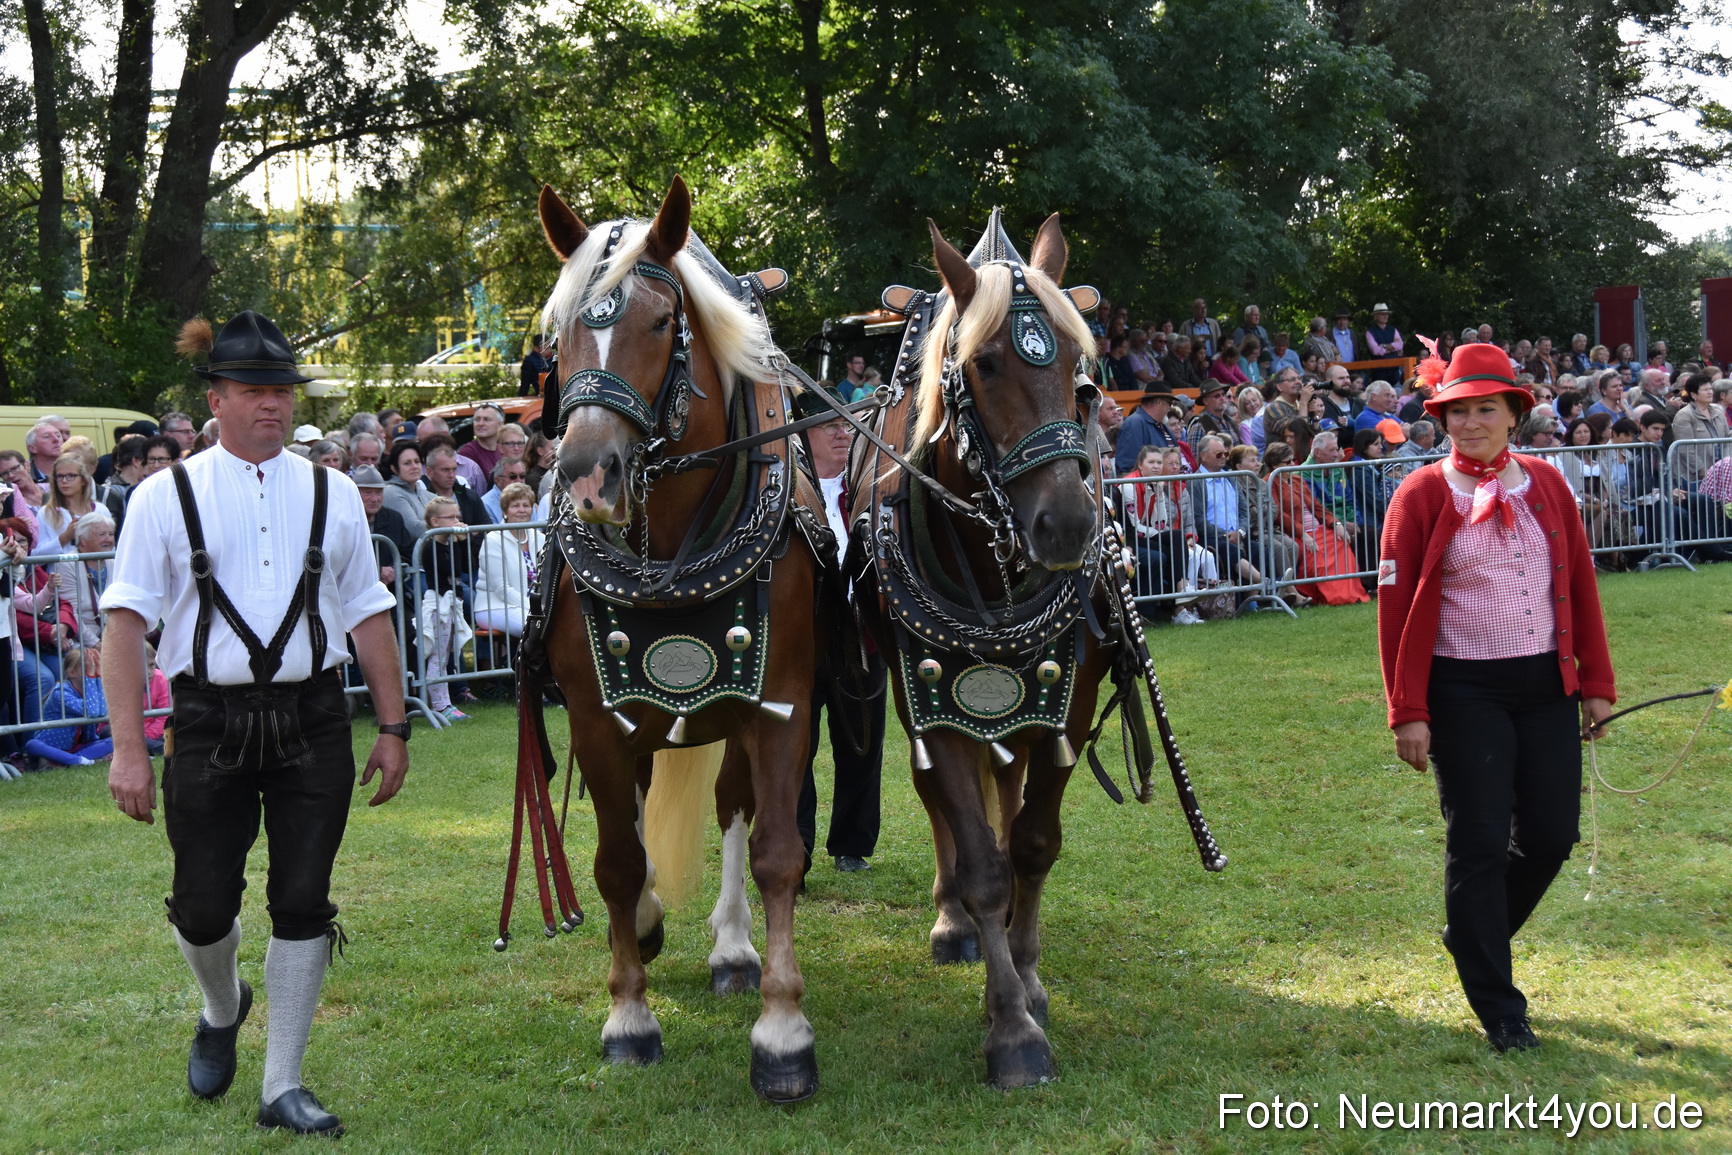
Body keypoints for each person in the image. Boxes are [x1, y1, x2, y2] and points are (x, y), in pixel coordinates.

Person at [101, 309, 408, 1137]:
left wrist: (394, 724)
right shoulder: (162, 496)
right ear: (217, 397)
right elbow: (124, 625)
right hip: (207, 720)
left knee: (304, 897)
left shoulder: (335, 490)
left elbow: (369, 608)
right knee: (201, 907)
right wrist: (128, 747)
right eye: (252, 389)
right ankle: (221, 1000)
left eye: (280, 391)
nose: (270, 404)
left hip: (314, 717)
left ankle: (283, 1083)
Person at [1377, 342, 1614, 1053]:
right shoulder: (1420, 494)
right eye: (1459, 412)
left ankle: (1471, 931)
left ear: (1515, 413)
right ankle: (1500, 1005)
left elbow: (1580, 588)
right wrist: (1408, 710)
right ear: (1442, 418)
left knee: (1551, 834)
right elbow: (1395, 611)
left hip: (1544, 683)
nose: (1472, 423)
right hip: (1462, 687)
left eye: (1487, 408)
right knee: (1479, 839)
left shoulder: (1546, 483)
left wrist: (1596, 684)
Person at [790, 388, 887, 872]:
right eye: (828, 425)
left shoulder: (867, 490)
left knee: (862, 747)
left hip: (862, 636)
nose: (841, 433)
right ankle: (796, 845)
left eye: (846, 425)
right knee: (794, 749)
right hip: (803, 642)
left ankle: (851, 845)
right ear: (802, 436)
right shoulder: (786, 493)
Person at [1263, 442, 1365, 605]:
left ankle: (1349, 593)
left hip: (1317, 529)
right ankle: (1331, 596)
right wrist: (1301, 533)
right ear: (1275, 464)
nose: (1293, 464)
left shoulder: (1297, 479)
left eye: (1293, 460)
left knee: (1340, 542)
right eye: (1287, 462)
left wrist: (1336, 523)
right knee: (1316, 553)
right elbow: (1278, 514)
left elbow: (1316, 506)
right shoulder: (1268, 483)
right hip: (1295, 532)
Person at [417, 496, 474, 723]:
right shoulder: (430, 545)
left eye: (458, 516)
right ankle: (441, 706)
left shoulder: (450, 544)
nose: (456, 521)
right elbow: (443, 569)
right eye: (450, 517)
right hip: (438, 604)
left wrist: (460, 542)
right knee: (437, 659)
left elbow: (463, 569)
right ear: (435, 521)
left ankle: (446, 703)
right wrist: (457, 541)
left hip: (452, 603)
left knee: (445, 657)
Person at [474, 482, 542, 639]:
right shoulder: (493, 539)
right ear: (505, 511)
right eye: (515, 505)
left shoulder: (539, 537)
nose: (522, 510)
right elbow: (501, 588)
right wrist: (534, 608)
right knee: (537, 627)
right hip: (494, 606)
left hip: (533, 607)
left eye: (526, 505)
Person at [53, 508, 114, 649]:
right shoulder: (68, 563)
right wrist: (95, 643)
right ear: (82, 540)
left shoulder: (115, 560)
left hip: (115, 636)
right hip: (82, 641)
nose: (109, 539)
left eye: (111, 534)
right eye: (102, 534)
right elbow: (71, 612)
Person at [352, 466, 415, 591]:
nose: (375, 499)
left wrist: (395, 569)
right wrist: (377, 570)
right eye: (368, 492)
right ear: (355, 493)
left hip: (390, 592)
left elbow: (408, 553)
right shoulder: (345, 520)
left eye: (379, 492)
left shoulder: (394, 519)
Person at [1114, 385, 1182, 474]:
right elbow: (1127, 466)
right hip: (1146, 486)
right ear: (1158, 402)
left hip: (1161, 486)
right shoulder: (1134, 423)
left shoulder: (1160, 425)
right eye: (1169, 403)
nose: (1170, 408)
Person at [40, 453, 98, 548]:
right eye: (59, 476)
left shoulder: (100, 509)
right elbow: (37, 555)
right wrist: (65, 537)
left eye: (71, 475)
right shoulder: (47, 512)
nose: (64, 481)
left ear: (83, 480)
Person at [383, 441, 432, 540]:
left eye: (417, 461)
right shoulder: (391, 492)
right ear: (394, 468)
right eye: (407, 463)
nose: (414, 466)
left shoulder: (430, 495)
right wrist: (446, 526)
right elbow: (414, 529)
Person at [458, 403, 507, 489]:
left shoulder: (504, 450)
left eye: (487, 419)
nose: (480, 423)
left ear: (500, 424)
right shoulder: (468, 452)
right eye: (477, 419)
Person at [482, 456, 532, 523]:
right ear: (498, 480)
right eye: (512, 477)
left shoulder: (528, 499)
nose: (519, 481)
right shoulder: (485, 504)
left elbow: (537, 529)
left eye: (522, 476)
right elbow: (491, 532)